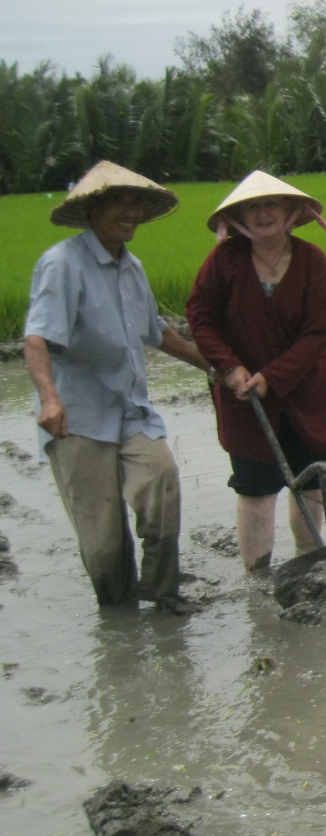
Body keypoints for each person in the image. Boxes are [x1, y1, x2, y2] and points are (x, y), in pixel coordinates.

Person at [24, 161, 212, 611]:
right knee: (103, 541)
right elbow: (37, 339)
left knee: (161, 477)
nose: (129, 214)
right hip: (78, 418)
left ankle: (163, 592)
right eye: (117, 203)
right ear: (91, 210)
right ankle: (119, 618)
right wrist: (49, 399)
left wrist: (213, 366)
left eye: (134, 205)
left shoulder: (133, 268)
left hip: (132, 412)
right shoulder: (62, 264)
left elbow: (157, 332)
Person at [185, 171, 326, 571]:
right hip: (243, 394)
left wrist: (274, 376)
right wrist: (230, 368)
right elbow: (199, 317)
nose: (263, 213)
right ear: (240, 218)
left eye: (271, 205)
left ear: (289, 213)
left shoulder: (312, 261)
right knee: (256, 486)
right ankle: (257, 577)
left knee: (312, 481)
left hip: (309, 389)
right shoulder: (224, 261)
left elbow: (318, 333)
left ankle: (311, 563)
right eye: (253, 206)